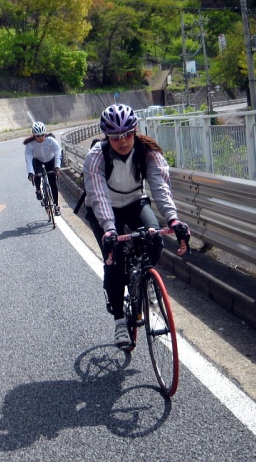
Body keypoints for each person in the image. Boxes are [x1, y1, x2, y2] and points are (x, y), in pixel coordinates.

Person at [82, 104, 190, 348]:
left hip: (134, 201)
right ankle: (120, 321)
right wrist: (109, 229)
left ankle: (143, 281)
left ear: (135, 130)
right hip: (104, 210)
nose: (122, 141)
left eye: (127, 134)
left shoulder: (147, 152)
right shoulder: (96, 157)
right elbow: (98, 196)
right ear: (107, 137)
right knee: (114, 259)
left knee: (155, 239)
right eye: (116, 137)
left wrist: (173, 220)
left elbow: (160, 188)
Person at [24, 121, 63, 216]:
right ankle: (38, 189)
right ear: (34, 135)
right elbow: (28, 159)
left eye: (42, 135)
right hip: (37, 160)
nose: (41, 138)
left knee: (53, 183)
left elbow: (58, 152)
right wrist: (30, 173)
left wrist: (57, 166)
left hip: (50, 160)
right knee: (37, 174)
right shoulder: (30, 144)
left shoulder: (50, 140)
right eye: (38, 136)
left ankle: (56, 206)